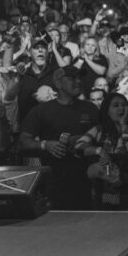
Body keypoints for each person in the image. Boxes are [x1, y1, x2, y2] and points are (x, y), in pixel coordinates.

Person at [18, 66, 100, 209]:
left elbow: (104, 137)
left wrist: (86, 140)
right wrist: (45, 144)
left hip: (87, 181)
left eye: (79, 78)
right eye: (72, 78)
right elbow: (23, 140)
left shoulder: (91, 108)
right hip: (53, 183)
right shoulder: (42, 110)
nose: (78, 81)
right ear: (58, 83)